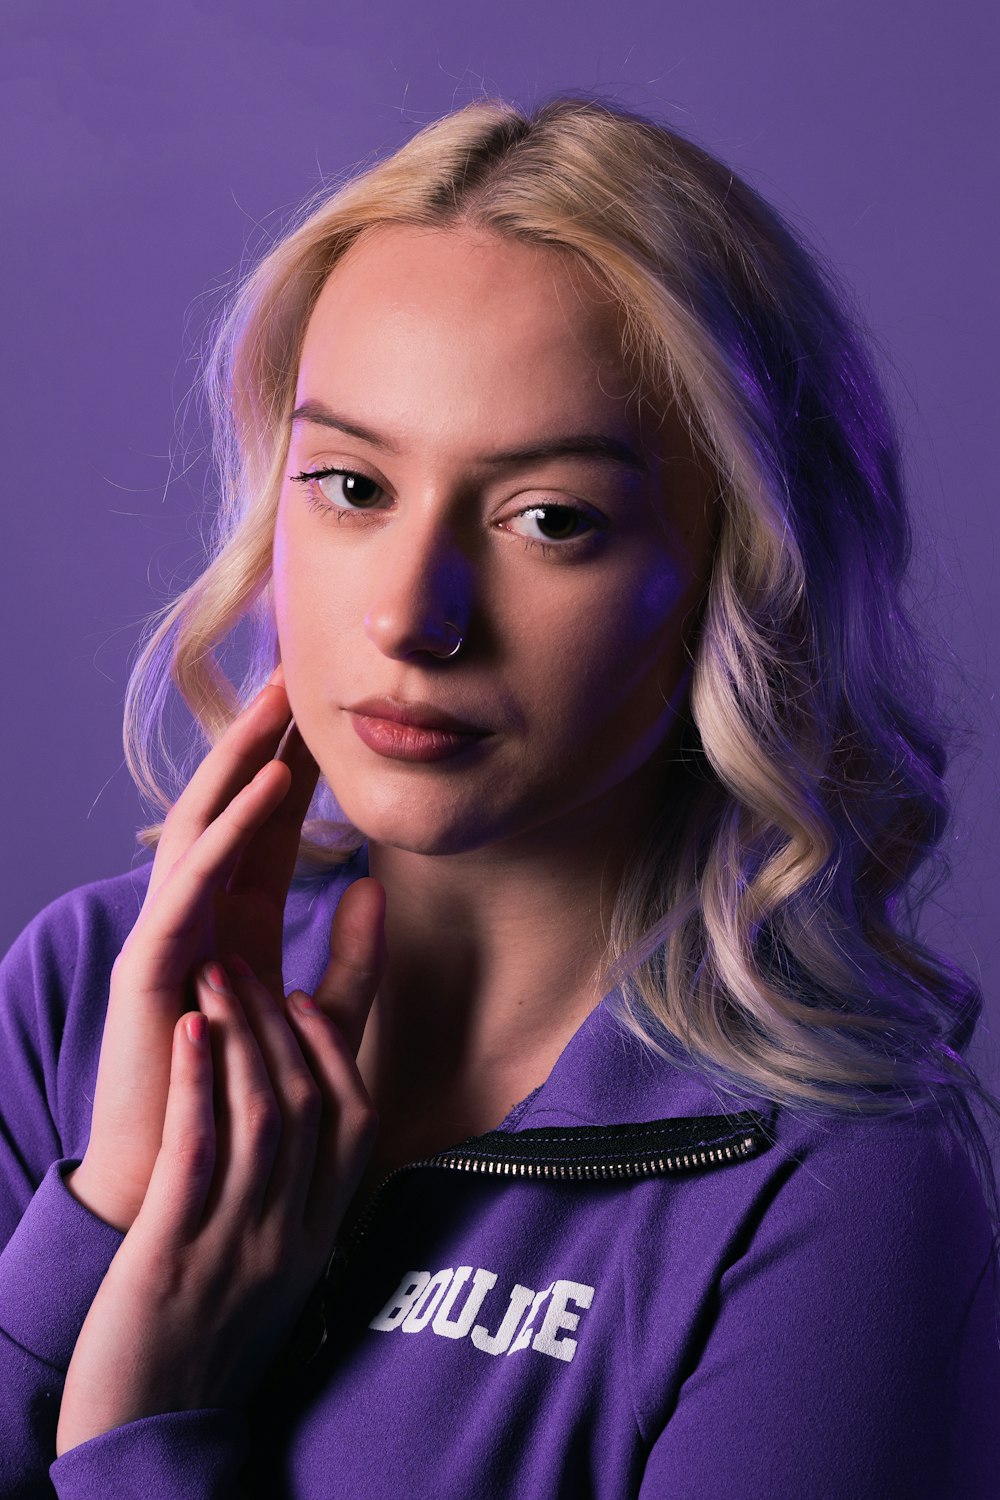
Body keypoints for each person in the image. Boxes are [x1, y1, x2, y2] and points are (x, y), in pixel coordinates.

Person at [1, 93, 998, 1498]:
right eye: (350, 485)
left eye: (552, 519)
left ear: (737, 572)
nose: (415, 613)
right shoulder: (82, 996)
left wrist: (141, 1430)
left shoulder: (835, 1197)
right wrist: (101, 1220)